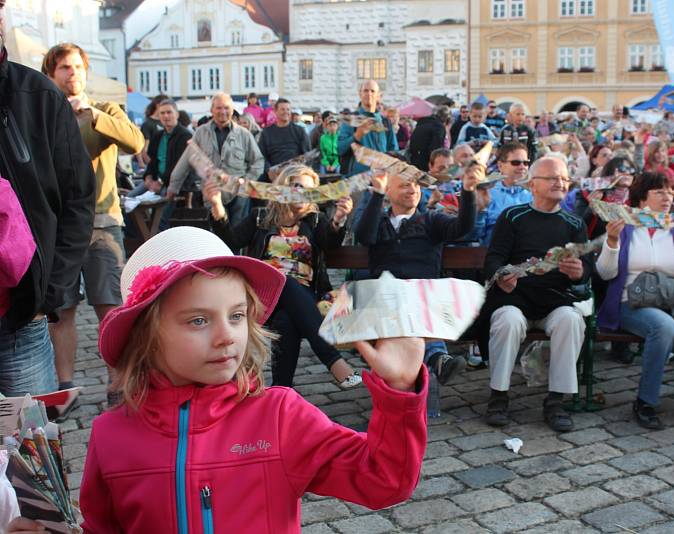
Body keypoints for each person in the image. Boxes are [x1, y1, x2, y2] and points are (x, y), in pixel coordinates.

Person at [4, 226, 427, 533]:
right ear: (146, 337)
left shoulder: (280, 415)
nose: (227, 336)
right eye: (199, 320)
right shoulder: (110, 435)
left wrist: (401, 393)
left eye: (238, 316)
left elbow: (384, 479)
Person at [42, 43, 145, 398]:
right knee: (61, 309)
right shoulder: (43, 114)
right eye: (64, 68)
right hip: (55, 228)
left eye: (78, 67)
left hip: (102, 223)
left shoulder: (104, 110)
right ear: (51, 75)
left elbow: (135, 141)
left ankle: (118, 382)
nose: (73, 73)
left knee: (110, 306)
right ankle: (65, 385)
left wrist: (94, 115)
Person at [0, 16, 95, 396]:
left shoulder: (37, 96)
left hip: (19, 320)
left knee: (31, 449)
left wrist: (48, 295)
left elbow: (77, 198)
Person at [204, 164, 361, 388]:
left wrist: (338, 219)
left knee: (286, 320)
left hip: (302, 296)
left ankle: (281, 389)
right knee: (282, 279)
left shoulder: (314, 221)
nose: (300, 191)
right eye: (295, 185)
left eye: (308, 189)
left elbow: (330, 244)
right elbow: (231, 242)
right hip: (262, 293)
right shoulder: (260, 217)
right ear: (281, 188)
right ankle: (333, 361)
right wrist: (218, 206)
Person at [597, 172, 674, 430]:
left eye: (671, 192)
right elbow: (606, 273)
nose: (668, 198)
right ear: (643, 198)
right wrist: (611, 242)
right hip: (632, 302)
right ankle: (645, 400)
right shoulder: (626, 226)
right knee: (664, 326)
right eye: (660, 192)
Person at [480, 157, 590, 431]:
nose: (560, 183)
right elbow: (493, 260)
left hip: (554, 298)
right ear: (532, 185)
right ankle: (498, 396)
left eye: (564, 178)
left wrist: (579, 271)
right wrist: (503, 274)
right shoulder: (513, 216)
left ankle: (556, 401)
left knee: (571, 321)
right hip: (514, 297)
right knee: (508, 321)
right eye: (552, 178)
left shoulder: (573, 223)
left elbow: (588, 270)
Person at [354, 164, 480, 386]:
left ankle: (427, 364)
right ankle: (437, 358)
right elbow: (364, 236)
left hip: (424, 298)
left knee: (415, 301)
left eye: (415, 185)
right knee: (399, 299)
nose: (412, 189)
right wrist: (376, 195)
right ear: (388, 192)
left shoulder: (431, 220)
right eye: (403, 185)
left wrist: (469, 192)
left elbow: (463, 228)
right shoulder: (380, 222)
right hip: (385, 300)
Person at [169, 92, 264, 227]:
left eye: (226, 108)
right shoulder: (201, 132)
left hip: (238, 195)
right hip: (211, 193)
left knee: (237, 234)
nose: (223, 112)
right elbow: (186, 159)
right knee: (215, 233)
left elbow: (258, 161)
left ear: (232, 110)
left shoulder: (244, 134)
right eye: (219, 108)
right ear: (212, 110)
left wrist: (247, 182)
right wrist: (173, 187)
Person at [140, 99, 193, 230]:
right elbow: (152, 161)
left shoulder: (184, 135)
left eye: (169, 112)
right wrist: (148, 177)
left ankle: (157, 239)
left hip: (174, 183)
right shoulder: (158, 135)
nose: (165, 116)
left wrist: (159, 182)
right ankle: (139, 238)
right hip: (156, 181)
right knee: (129, 202)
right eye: (162, 113)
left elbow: (178, 165)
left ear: (177, 114)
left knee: (160, 216)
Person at [473, 142, 532, 245]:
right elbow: (475, 235)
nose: (522, 167)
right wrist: (479, 212)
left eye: (526, 163)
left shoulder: (533, 195)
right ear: (500, 165)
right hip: (494, 255)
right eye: (516, 162)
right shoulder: (488, 193)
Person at [338, 80, 398, 176]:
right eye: (365, 90)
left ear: (379, 95)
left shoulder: (385, 122)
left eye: (372, 91)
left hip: (381, 179)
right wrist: (356, 136)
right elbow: (340, 149)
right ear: (360, 94)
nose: (369, 94)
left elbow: (394, 150)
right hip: (356, 180)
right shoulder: (351, 120)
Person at [258, 98, 311, 177]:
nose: (286, 112)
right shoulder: (266, 133)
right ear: (275, 111)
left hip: (295, 172)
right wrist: (268, 170)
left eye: (288, 109)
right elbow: (261, 156)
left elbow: (307, 155)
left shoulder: (300, 131)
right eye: (282, 109)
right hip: (273, 173)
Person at [407, 105, 448, 171]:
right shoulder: (438, 127)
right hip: (427, 163)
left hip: (414, 160)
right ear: (445, 117)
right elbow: (436, 148)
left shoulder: (421, 123)